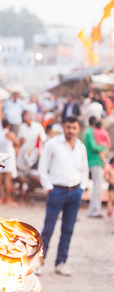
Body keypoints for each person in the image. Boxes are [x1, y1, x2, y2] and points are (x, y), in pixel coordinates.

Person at [37, 116, 88, 276]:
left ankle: (61, 262)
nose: (71, 131)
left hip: (75, 193)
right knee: (48, 230)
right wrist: (49, 188)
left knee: (68, 229)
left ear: (78, 129)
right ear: (63, 127)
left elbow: (85, 169)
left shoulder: (80, 147)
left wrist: (82, 187)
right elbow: (42, 168)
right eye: (68, 127)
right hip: (56, 191)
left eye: (74, 128)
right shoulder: (53, 144)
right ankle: (39, 262)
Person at [83, 116, 106, 218]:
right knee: (97, 187)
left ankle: (94, 209)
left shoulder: (88, 131)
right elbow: (94, 146)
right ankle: (94, 210)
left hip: (92, 161)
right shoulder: (91, 131)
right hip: (94, 162)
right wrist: (104, 147)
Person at [0, 119, 19, 205]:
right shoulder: (9, 134)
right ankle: (8, 199)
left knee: (0, 181)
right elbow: (17, 143)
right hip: (8, 158)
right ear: (8, 125)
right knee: (7, 180)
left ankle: (0, 198)